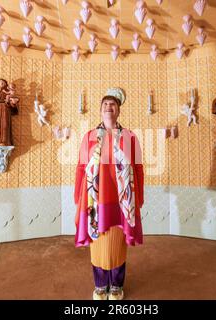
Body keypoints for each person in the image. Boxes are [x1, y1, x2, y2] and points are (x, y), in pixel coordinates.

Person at [74, 88, 144, 300]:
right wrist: (78, 197)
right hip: (96, 200)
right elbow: (81, 167)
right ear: (100, 110)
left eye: (112, 104)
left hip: (121, 201)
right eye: (105, 104)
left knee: (117, 245)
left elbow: (138, 168)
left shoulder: (130, 137)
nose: (108, 107)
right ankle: (100, 285)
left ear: (118, 110)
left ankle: (116, 285)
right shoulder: (89, 137)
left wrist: (138, 197)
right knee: (98, 245)